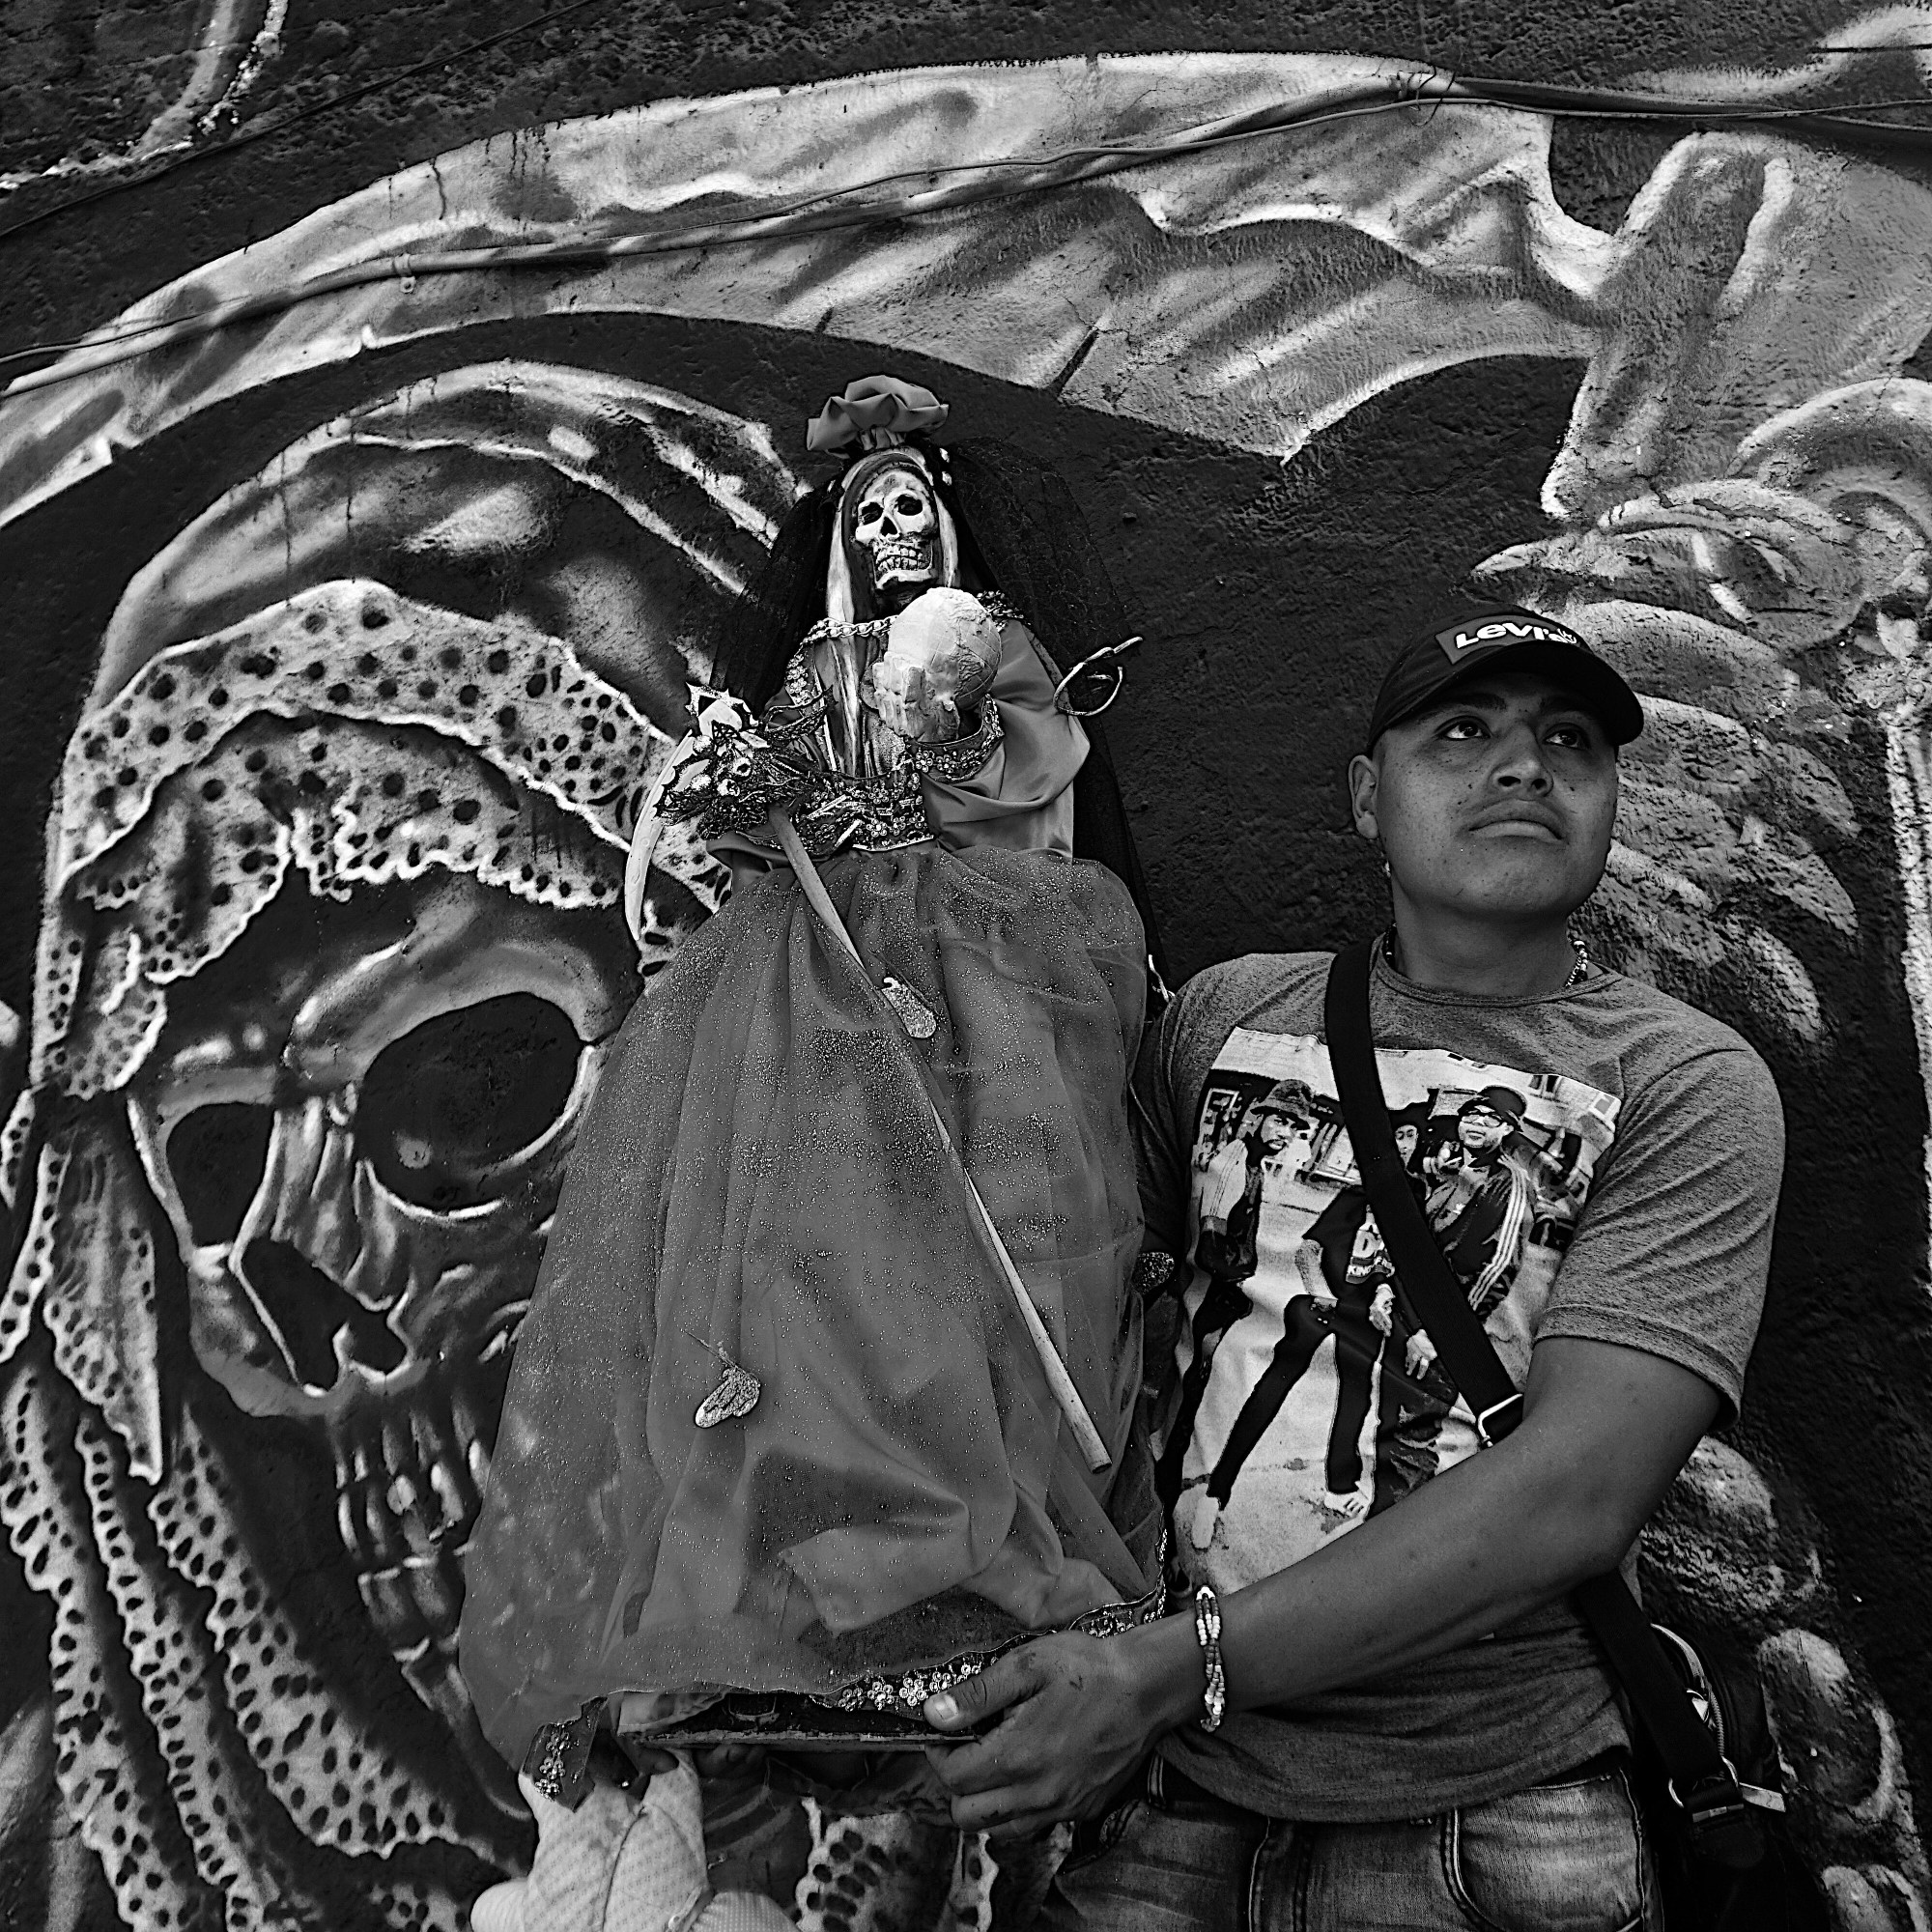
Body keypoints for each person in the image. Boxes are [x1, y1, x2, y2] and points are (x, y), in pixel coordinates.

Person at [922, 602, 1784, 1930]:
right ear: (1368, 801)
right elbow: (1058, 1304)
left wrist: (1172, 1669)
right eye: (1464, 732)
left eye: (1571, 740)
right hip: (1172, 1795)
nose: (1524, 765)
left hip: (1499, 1819)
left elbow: (1574, 1495)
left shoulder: (1687, 1083)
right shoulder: (1227, 1016)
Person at [455, 377, 1167, 1792]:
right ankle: (791, 1595)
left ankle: (975, 1575)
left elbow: (1029, 776)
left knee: (992, 1252)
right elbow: (745, 829)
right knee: (796, 1258)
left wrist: (919, 754)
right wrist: (750, 796)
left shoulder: (985, 642)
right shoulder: (812, 671)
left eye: (911, 508)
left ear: (945, 525)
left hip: (975, 975)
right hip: (808, 994)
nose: (892, 530)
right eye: (869, 515)